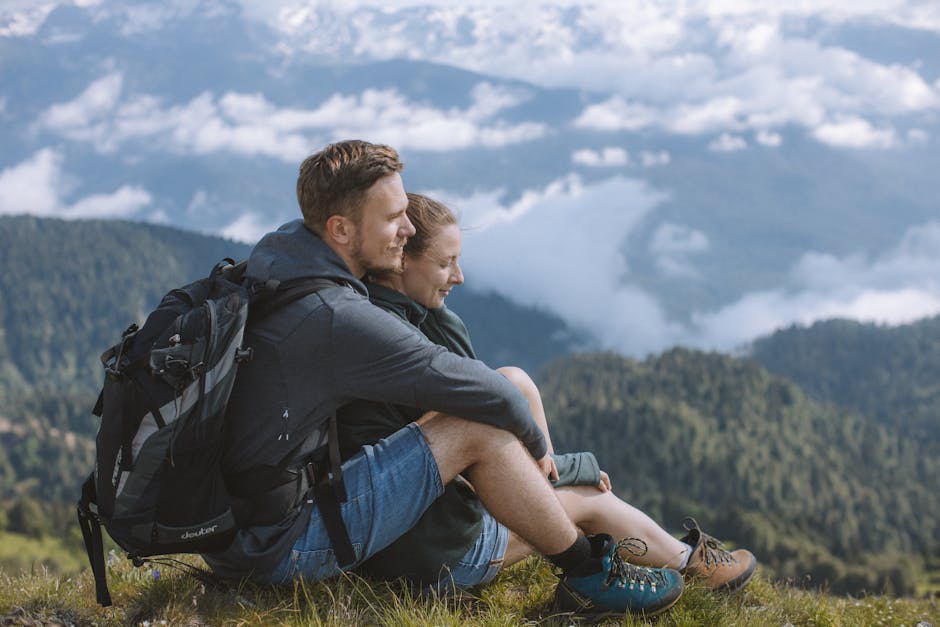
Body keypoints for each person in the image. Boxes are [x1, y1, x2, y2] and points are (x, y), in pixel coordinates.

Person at [202, 140, 685, 619]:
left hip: (242, 531)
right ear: (341, 229)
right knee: (475, 421)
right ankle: (588, 573)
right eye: (393, 218)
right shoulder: (336, 316)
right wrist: (545, 456)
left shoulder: (281, 264)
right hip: (280, 546)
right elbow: (482, 392)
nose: (408, 228)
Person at [346, 191, 757, 593]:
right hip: (437, 555)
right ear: (402, 261)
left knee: (515, 380)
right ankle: (695, 567)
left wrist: (563, 466)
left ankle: (556, 488)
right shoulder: (407, 347)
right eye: (445, 263)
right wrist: (579, 471)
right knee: (591, 499)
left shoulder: (399, 317)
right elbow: (468, 462)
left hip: (407, 527)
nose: (459, 276)